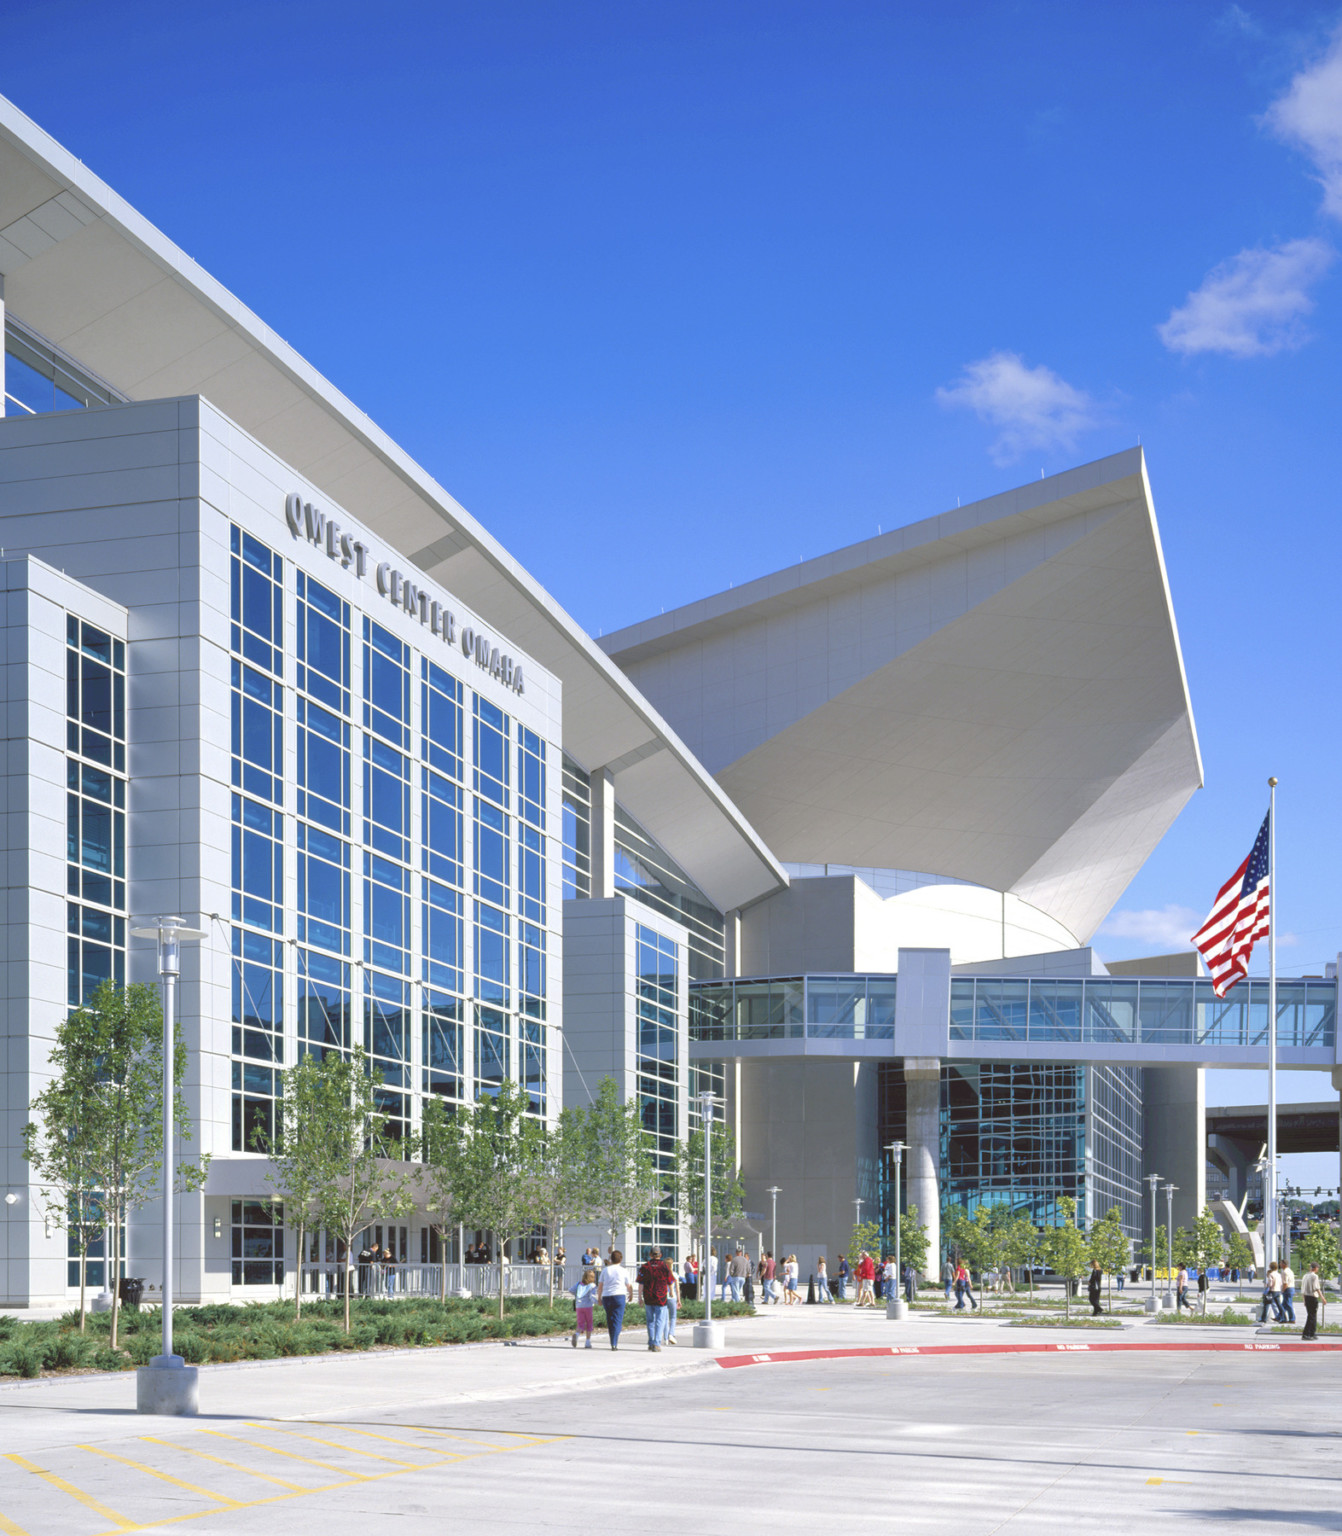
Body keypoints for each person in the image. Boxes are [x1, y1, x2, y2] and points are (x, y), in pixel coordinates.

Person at [636, 1246, 675, 1351]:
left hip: (648, 1296)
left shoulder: (645, 1267)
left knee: (650, 1320)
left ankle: (651, 1342)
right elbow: (670, 1281)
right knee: (660, 1320)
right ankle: (657, 1343)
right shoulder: (664, 1267)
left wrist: (639, 1297)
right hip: (661, 1297)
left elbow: (640, 1283)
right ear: (660, 1255)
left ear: (650, 1255)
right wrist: (671, 1291)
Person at [597, 1248, 631, 1350]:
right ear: (621, 1259)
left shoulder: (605, 1270)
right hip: (619, 1296)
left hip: (607, 1296)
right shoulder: (624, 1270)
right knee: (617, 1319)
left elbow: (600, 1285)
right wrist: (631, 1294)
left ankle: (612, 1340)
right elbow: (628, 1285)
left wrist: (599, 1297)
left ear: (611, 1259)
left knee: (610, 1319)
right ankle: (614, 1342)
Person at [570, 1267, 598, 1349]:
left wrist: (577, 1295)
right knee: (589, 1323)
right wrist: (598, 1302)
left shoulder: (578, 1284)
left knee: (580, 1323)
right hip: (588, 1307)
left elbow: (570, 1290)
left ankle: (577, 1334)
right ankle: (587, 1342)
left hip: (579, 1306)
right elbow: (592, 1297)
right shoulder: (592, 1286)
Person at [1301, 1261, 1325, 1340]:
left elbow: (1303, 1289)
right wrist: (1322, 1298)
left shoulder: (1305, 1276)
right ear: (1315, 1268)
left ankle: (1312, 1332)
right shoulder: (1314, 1276)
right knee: (1312, 1316)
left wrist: (1304, 1300)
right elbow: (1317, 1288)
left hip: (1307, 1297)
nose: (1318, 1269)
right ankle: (1306, 1334)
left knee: (1312, 1315)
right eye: (1317, 1268)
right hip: (1313, 1297)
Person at [665, 1261, 681, 1345]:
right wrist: (679, 1300)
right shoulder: (675, 1274)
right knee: (673, 1317)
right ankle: (671, 1334)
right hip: (672, 1297)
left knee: (665, 1318)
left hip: (664, 1297)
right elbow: (677, 1289)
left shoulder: (662, 1274)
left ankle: (666, 1337)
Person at [1280, 1259, 1297, 1324]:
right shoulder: (1290, 1271)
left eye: (1281, 1263)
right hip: (1291, 1288)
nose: (1280, 1265)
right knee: (1283, 1305)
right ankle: (1280, 1317)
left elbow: (1285, 1283)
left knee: (1288, 1304)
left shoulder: (1285, 1272)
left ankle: (1292, 1318)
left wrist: (1282, 1290)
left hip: (1287, 1289)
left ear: (1284, 1264)